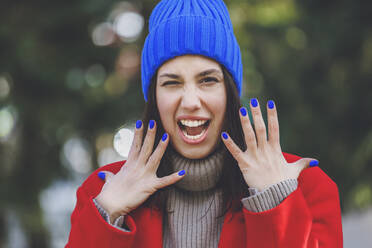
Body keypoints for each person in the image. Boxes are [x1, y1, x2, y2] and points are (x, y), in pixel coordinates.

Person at [66, 0, 343, 247]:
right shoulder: (101, 191)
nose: (190, 101)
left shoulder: (305, 187)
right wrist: (109, 214)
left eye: (208, 80)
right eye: (171, 83)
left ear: (230, 92)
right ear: (153, 98)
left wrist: (276, 201)